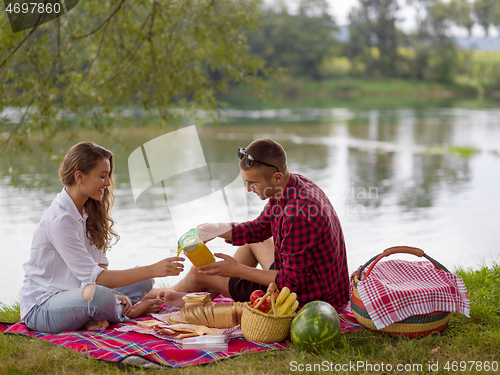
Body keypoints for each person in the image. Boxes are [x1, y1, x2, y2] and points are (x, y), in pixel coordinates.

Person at [160, 138, 349, 310]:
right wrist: (218, 229)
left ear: (276, 177)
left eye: (253, 183)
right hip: (316, 279)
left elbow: (291, 284)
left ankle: (159, 300)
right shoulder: (292, 185)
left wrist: (237, 270)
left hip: (309, 299)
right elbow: (260, 228)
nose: (249, 189)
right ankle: (199, 298)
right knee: (251, 243)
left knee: (200, 272)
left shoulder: (296, 215)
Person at [19, 141, 184, 334]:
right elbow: (97, 278)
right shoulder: (60, 220)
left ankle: (99, 314)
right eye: (102, 176)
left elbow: (100, 268)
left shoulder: (90, 211)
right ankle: (127, 313)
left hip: (83, 294)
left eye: (108, 176)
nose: (107, 183)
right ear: (79, 177)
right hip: (43, 307)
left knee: (143, 282)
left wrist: (116, 292)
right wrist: (154, 269)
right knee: (101, 296)